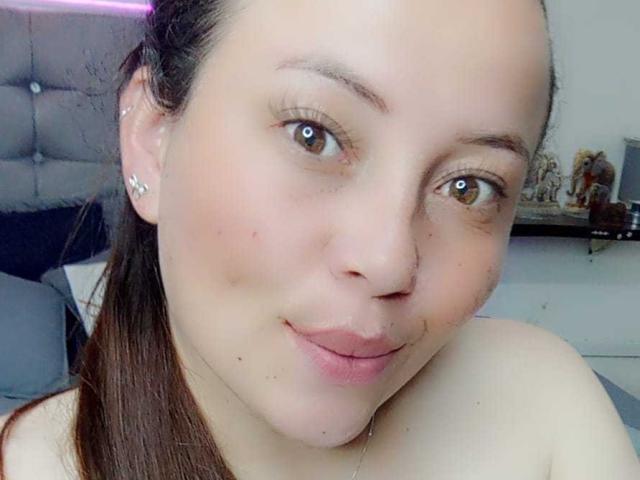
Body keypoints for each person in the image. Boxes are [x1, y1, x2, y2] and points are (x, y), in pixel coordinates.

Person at [1, 0, 639, 478]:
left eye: (470, 187)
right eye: (314, 136)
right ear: (153, 140)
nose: (388, 261)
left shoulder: (541, 406)